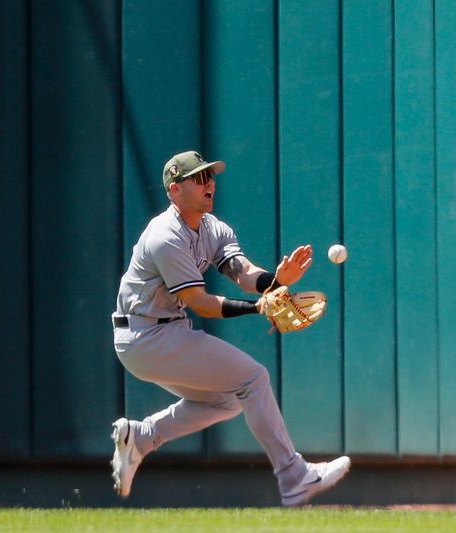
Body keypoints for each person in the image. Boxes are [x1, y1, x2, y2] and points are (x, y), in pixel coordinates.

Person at [109, 150, 350, 507]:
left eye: (211, 176)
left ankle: (142, 438)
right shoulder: (165, 235)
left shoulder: (213, 228)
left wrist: (275, 280)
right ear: (175, 190)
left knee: (225, 401)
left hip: (160, 334)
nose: (210, 184)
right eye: (200, 178)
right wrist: (259, 308)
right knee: (253, 380)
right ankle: (294, 476)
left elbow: (241, 272)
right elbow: (201, 302)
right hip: (146, 335)